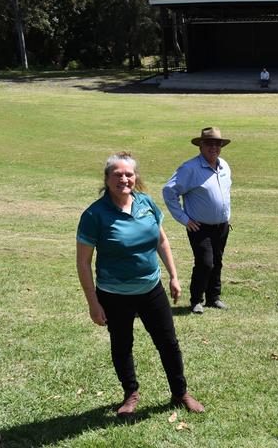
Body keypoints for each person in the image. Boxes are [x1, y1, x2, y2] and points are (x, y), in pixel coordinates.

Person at [76, 152, 204, 417]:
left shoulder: (145, 203)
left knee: (168, 342)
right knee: (122, 345)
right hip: (113, 294)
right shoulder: (94, 215)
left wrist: (173, 275)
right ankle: (130, 394)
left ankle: (180, 393)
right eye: (118, 174)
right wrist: (93, 303)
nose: (124, 179)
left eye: (129, 174)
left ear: (136, 177)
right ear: (107, 178)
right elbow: (83, 263)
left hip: (150, 289)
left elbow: (161, 240)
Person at [163, 127, 232, 314]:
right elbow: (169, 191)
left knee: (217, 261)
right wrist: (184, 219)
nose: (214, 147)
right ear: (200, 146)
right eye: (209, 143)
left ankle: (213, 297)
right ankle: (196, 300)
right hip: (199, 227)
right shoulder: (190, 168)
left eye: (217, 144)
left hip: (222, 225)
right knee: (205, 263)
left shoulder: (224, 165)